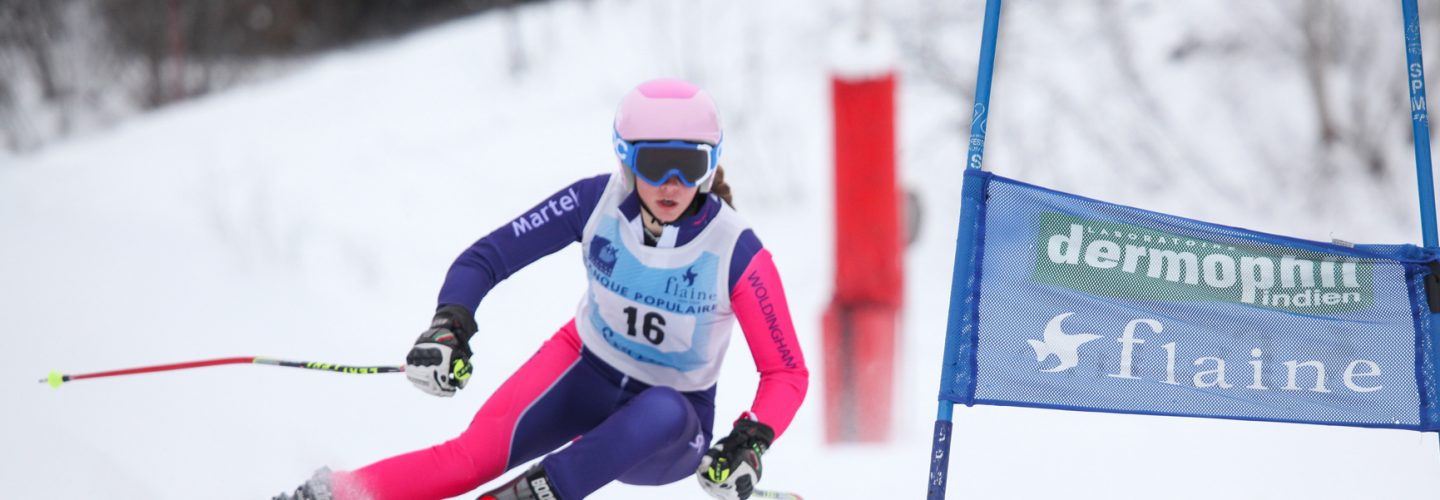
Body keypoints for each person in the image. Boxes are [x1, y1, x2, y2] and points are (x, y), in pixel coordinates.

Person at [275, 78, 809, 500]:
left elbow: (786, 370)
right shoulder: (593, 203)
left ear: (711, 166)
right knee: (469, 459)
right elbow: (486, 257)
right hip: (581, 371)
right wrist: (450, 323)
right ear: (625, 158)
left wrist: (751, 438)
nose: (672, 182)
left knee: (664, 408)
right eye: (654, 162)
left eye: (690, 164)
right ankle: (325, 496)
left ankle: (539, 491)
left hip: (667, 433)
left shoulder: (735, 249)